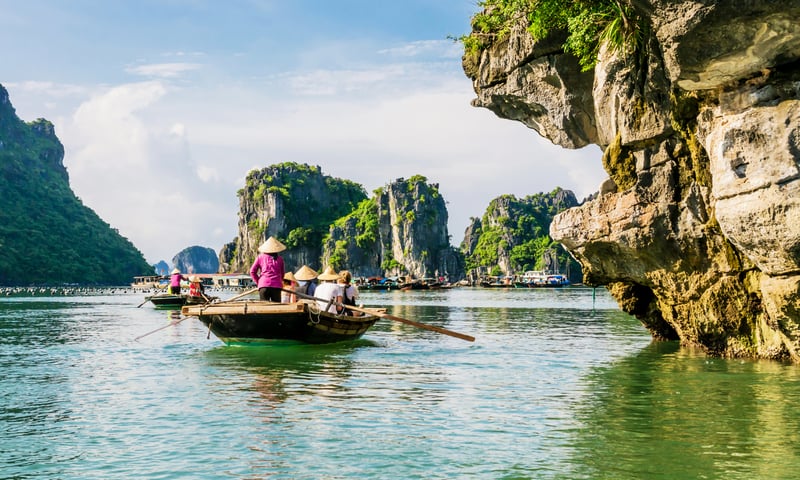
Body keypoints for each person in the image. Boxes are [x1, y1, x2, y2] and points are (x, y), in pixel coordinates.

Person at [249, 236, 286, 302]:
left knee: (264, 308)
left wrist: (259, 282)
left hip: (263, 285)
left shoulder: (260, 257)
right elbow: (282, 274)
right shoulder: (280, 259)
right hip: (276, 287)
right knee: (277, 309)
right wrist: (278, 281)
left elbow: (252, 271)